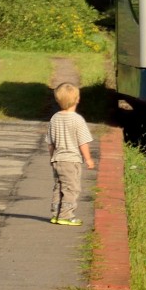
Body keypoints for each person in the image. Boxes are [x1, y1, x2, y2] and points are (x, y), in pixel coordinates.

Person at [48, 82, 95, 226]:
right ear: (77, 99)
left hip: (57, 159)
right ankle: (66, 215)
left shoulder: (54, 118)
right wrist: (88, 159)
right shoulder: (77, 120)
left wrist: (52, 157)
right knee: (72, 188)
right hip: (71, 160)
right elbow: (83, 142)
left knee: (59, 187)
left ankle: (56, 214)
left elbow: (50, 142)